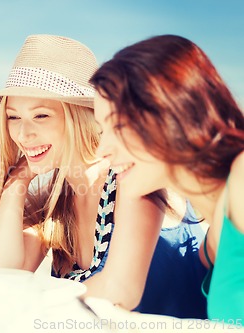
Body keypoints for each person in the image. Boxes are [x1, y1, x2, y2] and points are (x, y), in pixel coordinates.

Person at [0, 34, 166, 310]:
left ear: (79, 116)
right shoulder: (53, 199)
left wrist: (37, 301)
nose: (23, 133)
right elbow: (2, 276)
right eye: (14, 117)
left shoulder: (131, 178)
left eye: (41, 115)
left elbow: (121, 293)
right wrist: (15, 184)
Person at [90, 34, 244, 322]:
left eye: (119, 125)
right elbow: (114, 287)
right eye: (102, 130)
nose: (103, 150)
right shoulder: (211, 248)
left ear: (175, 112)